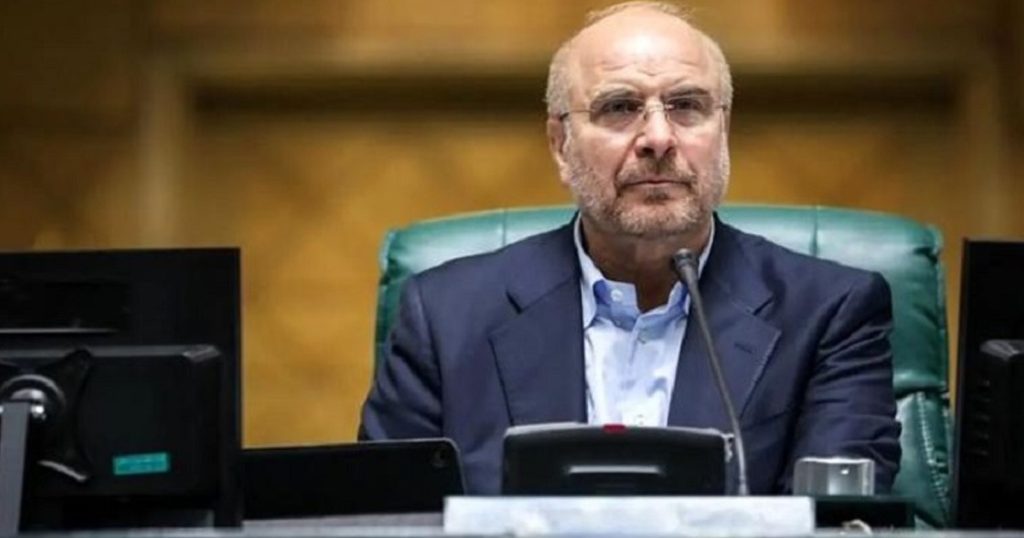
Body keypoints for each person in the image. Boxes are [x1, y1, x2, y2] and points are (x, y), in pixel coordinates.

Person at [360, 1, 901, 495]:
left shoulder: (830, 314)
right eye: (620, 107)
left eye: (686, 106)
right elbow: (385, 517)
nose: (659, 138)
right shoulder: (445, 317)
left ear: (723, 130)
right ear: (560, 145)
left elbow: (836, 521)